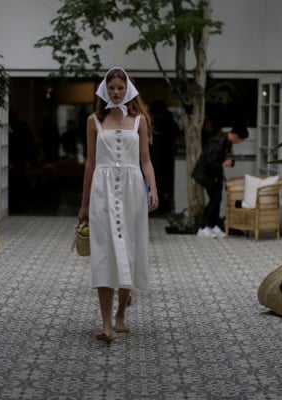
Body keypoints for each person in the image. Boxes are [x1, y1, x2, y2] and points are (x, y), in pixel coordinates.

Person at [77, 67, 159, 343]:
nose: (115, 92)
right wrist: (84, 204)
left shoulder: (140, 121)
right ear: (104, 89)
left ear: (128, 90)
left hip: (132, 190)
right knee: (103, 253)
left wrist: (153, 189)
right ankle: (105, 324)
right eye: (111, 87)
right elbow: (89, 163)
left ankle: (121, 316)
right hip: (102, 190)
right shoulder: (94, 121)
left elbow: (145, 160)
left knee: (130, 251)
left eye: (120, 88)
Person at [191, 124, 249, 238]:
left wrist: (228, 163)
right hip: (206, 175)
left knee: (217, 199)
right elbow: (210, 162)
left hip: (215, 175)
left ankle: (213, 225)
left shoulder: (227, 142)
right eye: (240, 140)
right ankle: (203, 227)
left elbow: (223, 159)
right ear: (236, 136)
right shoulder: (218, 142)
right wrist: (223, 164)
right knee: (215, 199)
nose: (239, 143)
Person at [149, 100, 181, 215]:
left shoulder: (153, 123)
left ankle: (154, 205)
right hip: (167, 155)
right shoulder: (170, 121)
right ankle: (164, 204)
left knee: (154, 178)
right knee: (166, 181)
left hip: (154, 154)